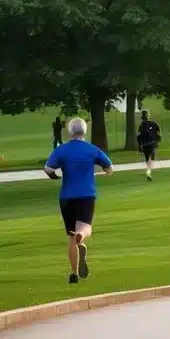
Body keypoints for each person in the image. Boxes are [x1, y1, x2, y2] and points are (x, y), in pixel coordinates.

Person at [44, 117, 113, 284]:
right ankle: (81, 238)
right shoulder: (91, 149)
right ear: (85, 131)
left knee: (70, 235)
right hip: (86, 195)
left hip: (67, 197)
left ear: (70, 132)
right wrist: (103, 171)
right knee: (84, 229)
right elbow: (109, 168)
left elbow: (48, 168)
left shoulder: (62, 150)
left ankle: (74, 274)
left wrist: (55, 176)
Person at [136, 109, 162, 181]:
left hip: (144, 145)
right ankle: (148, 172)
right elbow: (159, 133)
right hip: (152, 143)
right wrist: (158, 142)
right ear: (148, 115)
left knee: (147, 158)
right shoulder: (154, 123)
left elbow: (138, 136)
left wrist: (139, 146)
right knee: (151, 159)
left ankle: (148, 170)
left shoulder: (141, 125)